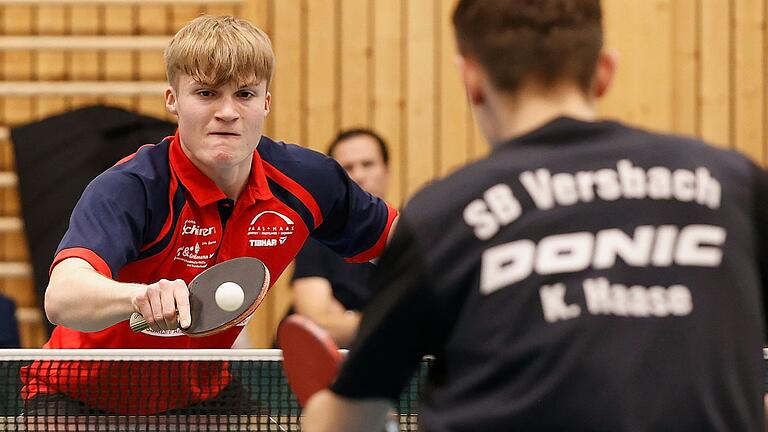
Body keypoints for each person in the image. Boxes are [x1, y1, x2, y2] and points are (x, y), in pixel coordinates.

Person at [302, 0, 768, 430]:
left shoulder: (443, 216)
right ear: (604, 71)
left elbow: (351, 417)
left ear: (472, 80)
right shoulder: (735, 186)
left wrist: (320, 415)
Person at [20, 15, 397, 416]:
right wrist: (138, 296)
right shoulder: (133, 187)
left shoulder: (308, 181)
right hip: (78, 396)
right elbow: (63, 296)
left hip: (200, 396)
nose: (228, 112)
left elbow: (408, 244)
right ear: (172, 101)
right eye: (206, 93)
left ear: (266, 102)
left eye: (246, 94)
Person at [291, 128, 391, 348]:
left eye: (368, 164)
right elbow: (316, 325)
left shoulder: (408, 237)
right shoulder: (314, 236)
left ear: (386, 170)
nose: (358, 175)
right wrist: (390, 320)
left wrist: (347, 318)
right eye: (347, 168)